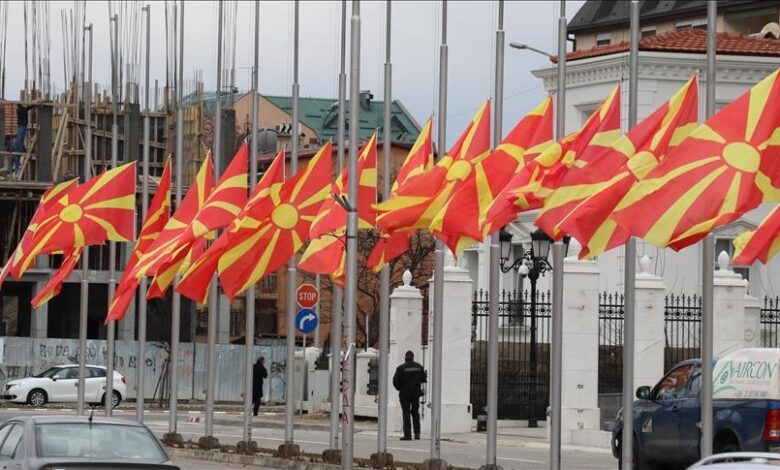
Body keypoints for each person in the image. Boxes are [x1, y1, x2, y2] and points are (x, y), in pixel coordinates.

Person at [392, 350, 426, 441]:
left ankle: (407, 435)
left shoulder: (400, 368)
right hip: (415, 394)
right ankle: (417, 433)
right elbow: (423, 379)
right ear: (413, 357)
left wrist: (400, 388)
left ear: (405, 358)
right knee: (415, 413)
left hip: (404, 394)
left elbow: (395, 381)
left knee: (406, 414)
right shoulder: (419, 367)